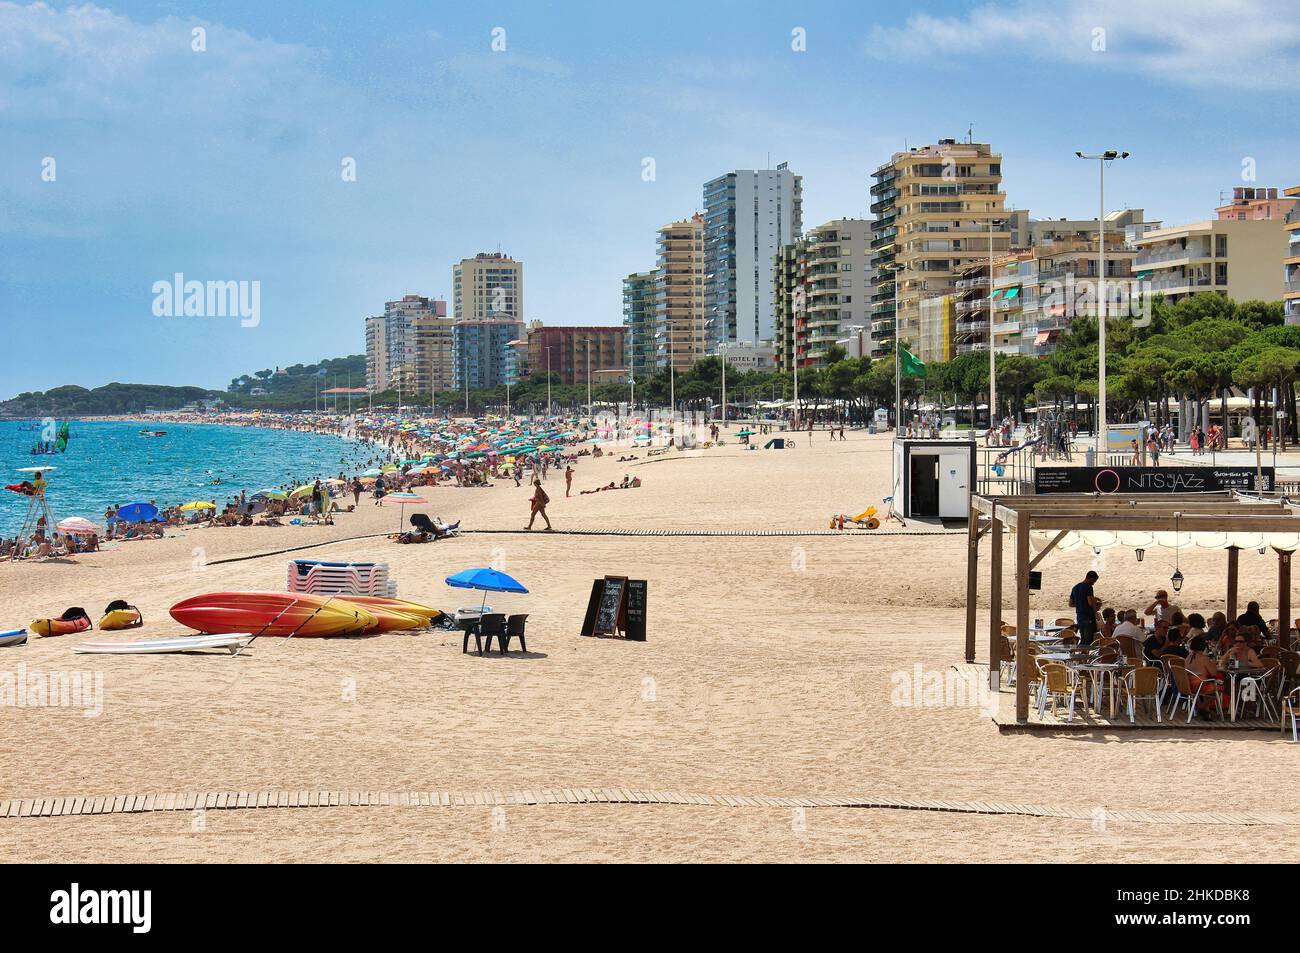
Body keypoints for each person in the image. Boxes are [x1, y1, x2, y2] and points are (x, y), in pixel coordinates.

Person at [1069, 570, 1100, 647]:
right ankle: (1084, 657)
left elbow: (1070, 604)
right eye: (1094, 581)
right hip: (1088, 617)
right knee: (1088, 641)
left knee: (1083, 639)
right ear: (1090, 578)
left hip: (1079, 618)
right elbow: (1090, 602)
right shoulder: (1088, 587)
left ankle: (1081, 656)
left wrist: (1080, 604)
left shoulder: (1075, 588)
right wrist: (1096, 610)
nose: (1093, 583)